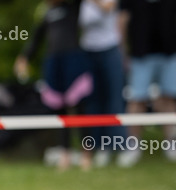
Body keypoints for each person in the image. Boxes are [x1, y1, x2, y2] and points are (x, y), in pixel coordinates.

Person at [15, 0, 93, 171]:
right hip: (53, 64)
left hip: (73, 61)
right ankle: (65, 154)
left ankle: (87, 154)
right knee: (61, 112)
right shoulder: (47, 14)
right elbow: (36, 39)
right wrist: (24, 58)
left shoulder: (73, 6)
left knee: (80, 109)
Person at [116, 0, 176, 166]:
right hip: (140, 54)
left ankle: (170, 144)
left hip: (169, 52)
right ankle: (133, 146)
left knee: (169, 99)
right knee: (136, 100)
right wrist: (122, 51)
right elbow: (122, 19)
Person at [79, 0, 128, 166]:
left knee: (114, 99)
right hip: (88, 50)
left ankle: (119, 145)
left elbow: (108, 8)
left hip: (110, 48)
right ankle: (100, 147)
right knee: (93, 102)